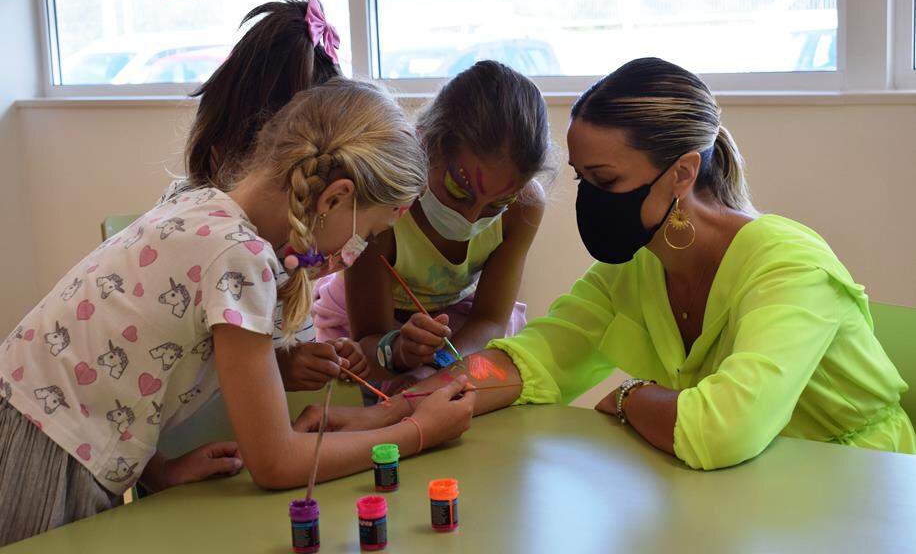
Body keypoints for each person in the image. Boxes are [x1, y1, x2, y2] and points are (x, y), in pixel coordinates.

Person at [301, 58, 915, 471]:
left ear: (681, 173)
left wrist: (628, 397)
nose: (589, 200)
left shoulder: (789, 264)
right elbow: (530, 358)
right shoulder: (637, 265)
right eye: (580, 178)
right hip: (742, 480)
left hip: (856, 479)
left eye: (605, 180)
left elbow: (724, 430)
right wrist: (389, 412)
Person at [0, 79, 475, 546]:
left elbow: (109, 359)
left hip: (35, 433)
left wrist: (161, 471)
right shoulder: (239, 259)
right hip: (41, 463)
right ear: (334, 200)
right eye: (367, 234)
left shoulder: (198, 204)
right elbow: (276, 463)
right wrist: (417, 432)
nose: (358, 251)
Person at [158, 0, 370, 390]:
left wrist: (314, 355)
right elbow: (211, 356)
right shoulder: (230, 241)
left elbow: (275, 340)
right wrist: (282, 366)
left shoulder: (280, 237)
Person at [312, 60, 551, 395]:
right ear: (425, 144)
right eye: (458, 190)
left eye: (497, 204)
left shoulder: (524, 207)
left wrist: (438, 367)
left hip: (458, 327)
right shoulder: (385, 205)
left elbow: (491, 320)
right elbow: (368, 337)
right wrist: (400, 352)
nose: (472, 217)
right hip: (371, 332)